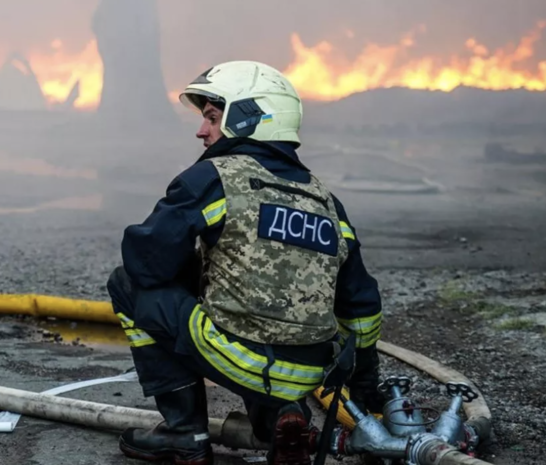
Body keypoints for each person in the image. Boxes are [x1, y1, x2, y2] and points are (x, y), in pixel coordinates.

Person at [106, 60, 385, 465]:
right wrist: (366, 399)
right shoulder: (326, 201)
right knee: (253, 313)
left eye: (213, 117)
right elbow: (362, 308)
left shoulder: (213, 179)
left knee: (128, 286)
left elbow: (145, 262)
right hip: (308, 375)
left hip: (242, 359)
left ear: (249, 117)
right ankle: (283, 417)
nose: (202, 131)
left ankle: (185, 433)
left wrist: (193, 274)